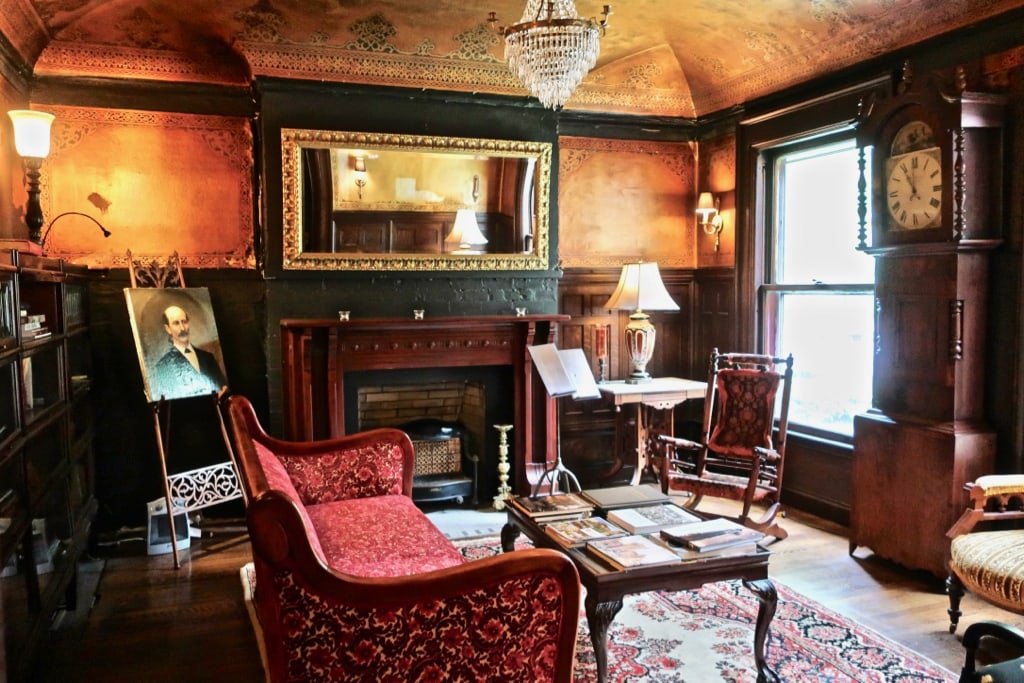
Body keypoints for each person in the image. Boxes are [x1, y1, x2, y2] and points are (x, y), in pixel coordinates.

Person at [152, 304, 227, 400]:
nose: (182, 328)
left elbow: (222, 387)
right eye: (176, 323)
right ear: (168, 329)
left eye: (184, 322)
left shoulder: (208, 357)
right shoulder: (162, 366)